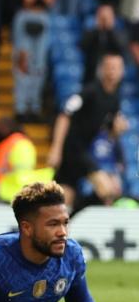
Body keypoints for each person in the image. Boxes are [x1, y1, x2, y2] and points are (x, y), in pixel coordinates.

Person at [48, 52, 125, 213]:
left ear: (122, 71)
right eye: (109, 67)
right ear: (102, 70)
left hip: (84, 151)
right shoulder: (89, 92)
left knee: (63, 200)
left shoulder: (114, 98)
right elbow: (64, 115)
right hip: (73, 150)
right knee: (107, 190)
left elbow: (109, 133)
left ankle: (74, 216)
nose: (112, 72)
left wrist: (117, 130)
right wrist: (56, 148)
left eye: (116, 68)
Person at [13, 0, 56, 122]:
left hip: (43, 19)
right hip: (25, 18)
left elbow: (49, 1)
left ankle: (34, 106)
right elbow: (28, 0)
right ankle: (21, 107)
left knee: (39, 66)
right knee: (23, 64)